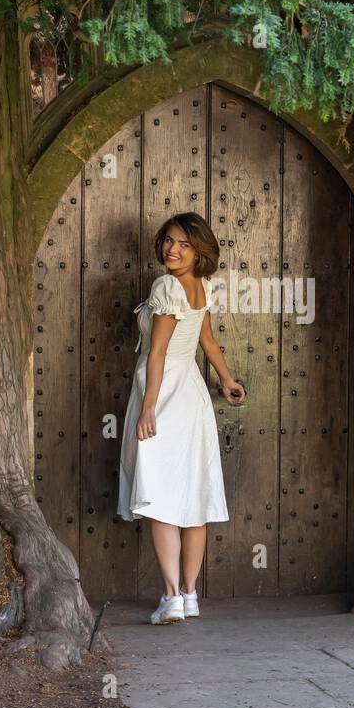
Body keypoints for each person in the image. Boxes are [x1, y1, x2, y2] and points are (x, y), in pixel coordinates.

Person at [118, 212, 246, 624]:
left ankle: (173, 596)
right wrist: (226, 381)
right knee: (193, 496)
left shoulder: (167, 286)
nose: (172, 250)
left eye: (183, 245)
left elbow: (156, 353)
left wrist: (149, 405)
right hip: (191, 392)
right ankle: (190, 595)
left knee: (159, 495)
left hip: (165, 392)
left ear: (199, 251)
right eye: (169, 241)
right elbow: (207, 341)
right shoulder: (201, 287)